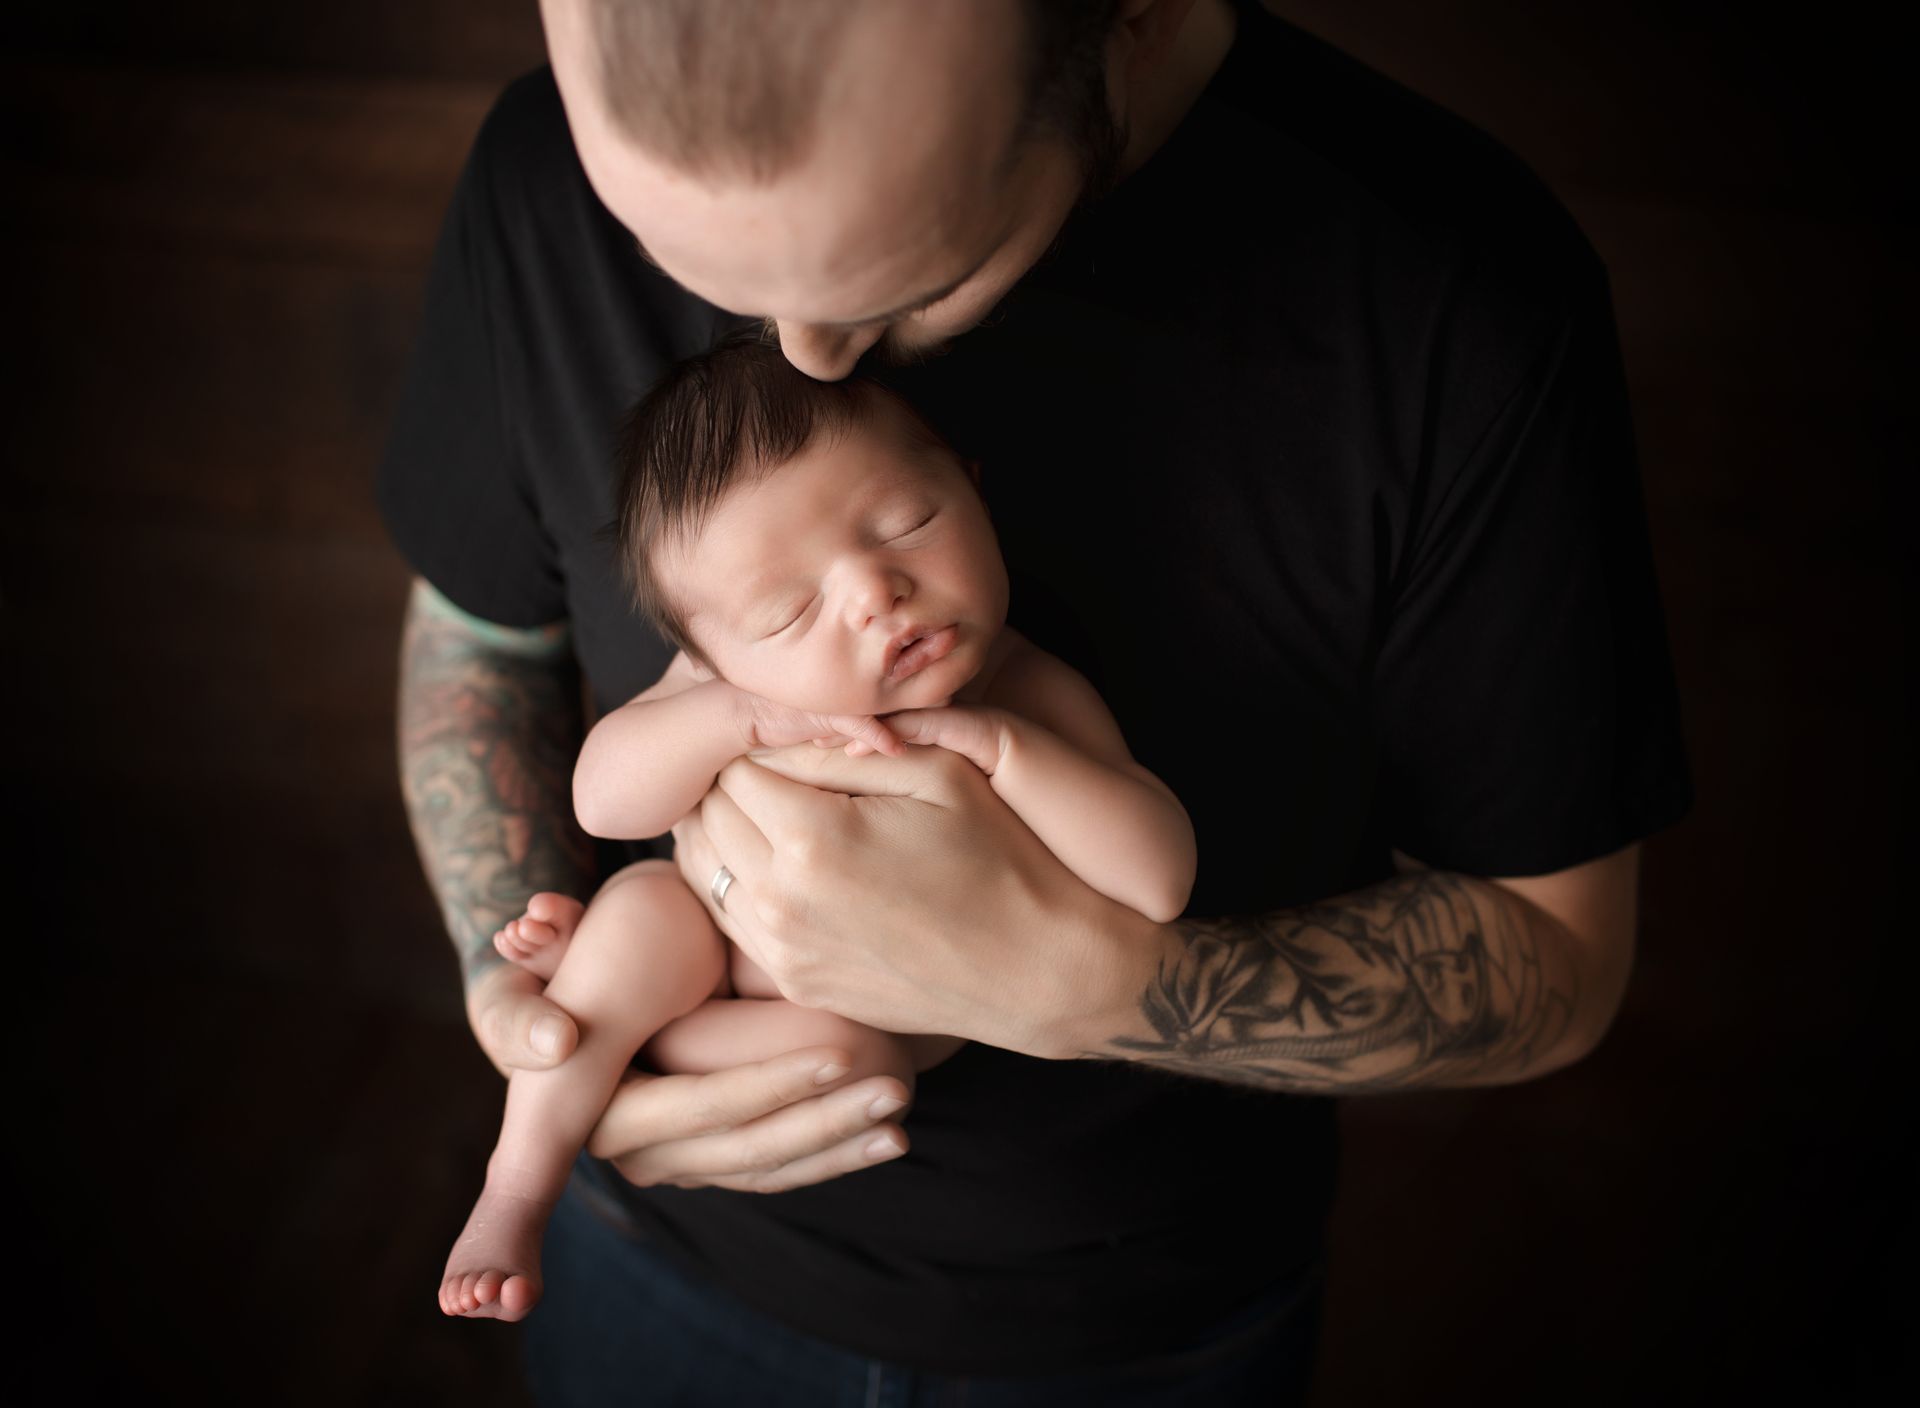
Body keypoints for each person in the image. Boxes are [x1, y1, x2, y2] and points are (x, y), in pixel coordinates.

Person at [380, 0, 1691, 1399]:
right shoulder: (538, 171)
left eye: (914, 271)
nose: (805, 355)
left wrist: (1101, 986)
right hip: (651, 1263)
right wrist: (542, 1021)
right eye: (673, 253)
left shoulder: (1457, 296)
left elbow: (1555, 959)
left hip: (1125, 1332)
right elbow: (480, 652)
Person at [440, 336, 1196, 1322]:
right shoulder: (727, 685)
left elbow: (1158, 880)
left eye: (908, 522)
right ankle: (517, 1184)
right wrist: (743, 716)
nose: (873, 592)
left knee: (864, 1071)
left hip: (853, 1029)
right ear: (706, 648)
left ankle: (624, 1027)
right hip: (707, 946)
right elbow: (602, 801)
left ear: (974, 489)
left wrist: (1005, 751)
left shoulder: (1025, 691)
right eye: (789, 612)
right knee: (642, 910)